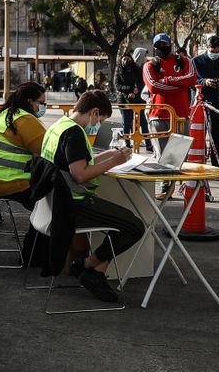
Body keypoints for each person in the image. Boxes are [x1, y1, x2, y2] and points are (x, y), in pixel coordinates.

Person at [40, 90, 145, 303]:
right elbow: (80, 174)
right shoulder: (75, 134)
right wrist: (114, 162)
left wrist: (110, 155)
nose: (98, 125)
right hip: (73, 205)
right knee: (134, 226)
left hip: (53, 202)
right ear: (94, 112)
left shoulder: (59, 126)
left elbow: (76, 162)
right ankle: (90, 268)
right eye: (101, 120)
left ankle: (90, 267)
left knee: (126, 221)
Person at [143, 33, 196, 198]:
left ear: (170, 44)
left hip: (180, 115)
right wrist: (179, 86)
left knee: (178, 154)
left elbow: (192, 79)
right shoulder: (150, 65)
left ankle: (174, 184)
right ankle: (165, 186)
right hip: (158, 116)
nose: (161, 48)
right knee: (162, 155)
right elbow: (153, 86)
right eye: (158, 46)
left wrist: (167, 80)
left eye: (164, 45)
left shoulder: (184, 61)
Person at [0, 82, 48, 210]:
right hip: (12, 183)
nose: (44, 107)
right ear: (30, 101)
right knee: (56, 187)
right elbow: (48, 151)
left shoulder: (4, 114)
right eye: (42, 103)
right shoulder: (25, 120)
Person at [192, 35, 219, 168]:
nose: (214, 54)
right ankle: (198, 166)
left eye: (217, 51)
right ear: (207, 48)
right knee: (198, 137)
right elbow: (191, 81)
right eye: (212, 51)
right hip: (200, 105)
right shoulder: (196, 61)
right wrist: (204, 82)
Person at [114, 51, 143, 145]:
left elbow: (141, 82)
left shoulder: (135, 68)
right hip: (123, 100)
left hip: (134, 99)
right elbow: (117, 85)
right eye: (124, 59)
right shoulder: (118, 69)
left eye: (128, 59)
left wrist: (136, 90)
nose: (126, 61)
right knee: (126, 122)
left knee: (135, 123)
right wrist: (130, 89)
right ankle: (127, 143)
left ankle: (136, 142)